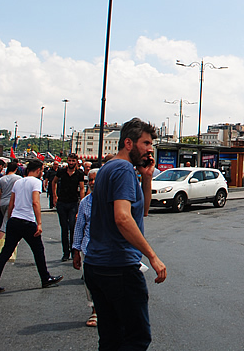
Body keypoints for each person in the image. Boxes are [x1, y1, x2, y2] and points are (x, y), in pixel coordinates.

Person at [83, 117, 167, 351]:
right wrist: (152, 255)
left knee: (111, 339)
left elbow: (142, 212)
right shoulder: (122, 169)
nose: (150, 149)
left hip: (97, 265)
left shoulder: (109, 168)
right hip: (118, 267)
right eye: (146, 143)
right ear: (128, 143)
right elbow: (123, 217)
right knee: (137, 338)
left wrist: (147, 178)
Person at [0, 160, 63, 294]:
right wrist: (39, 223)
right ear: (39, 170)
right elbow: (35, 202)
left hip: (14, 219)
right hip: (27, 220)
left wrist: (10, 218)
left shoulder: (19, 182)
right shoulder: (36, 182)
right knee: (38, 250)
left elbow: (12, 203)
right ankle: (45, 277)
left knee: (5, 252)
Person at [72, 168, 97, 327]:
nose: (92, 183)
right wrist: (76, 251)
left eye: (96, 180)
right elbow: (79, 227)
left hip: (108, 250)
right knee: (90, 282)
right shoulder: (85, 202)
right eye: (90, 180)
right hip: (88, 249)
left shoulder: (113, 201)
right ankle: (94, 310)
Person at [52, 153, 85, 261]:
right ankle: (65, 253)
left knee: (72, 227)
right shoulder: (61, 171)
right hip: (62, 202)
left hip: (73, 202)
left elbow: (81, 188)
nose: (71, 163)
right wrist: (54, 196)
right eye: (69, 161)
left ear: (76, 161)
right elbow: (54, 182)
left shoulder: (79, 173)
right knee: (64, 228)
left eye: (73, 161)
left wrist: (82, 203)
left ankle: (73, 251)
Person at [0, 161, 21, 237]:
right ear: (16, 169)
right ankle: (2, 240)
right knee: (6, 223)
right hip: (13, 202)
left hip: (2, 202)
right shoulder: (18, 179)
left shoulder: (1, 179)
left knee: (6, 220)